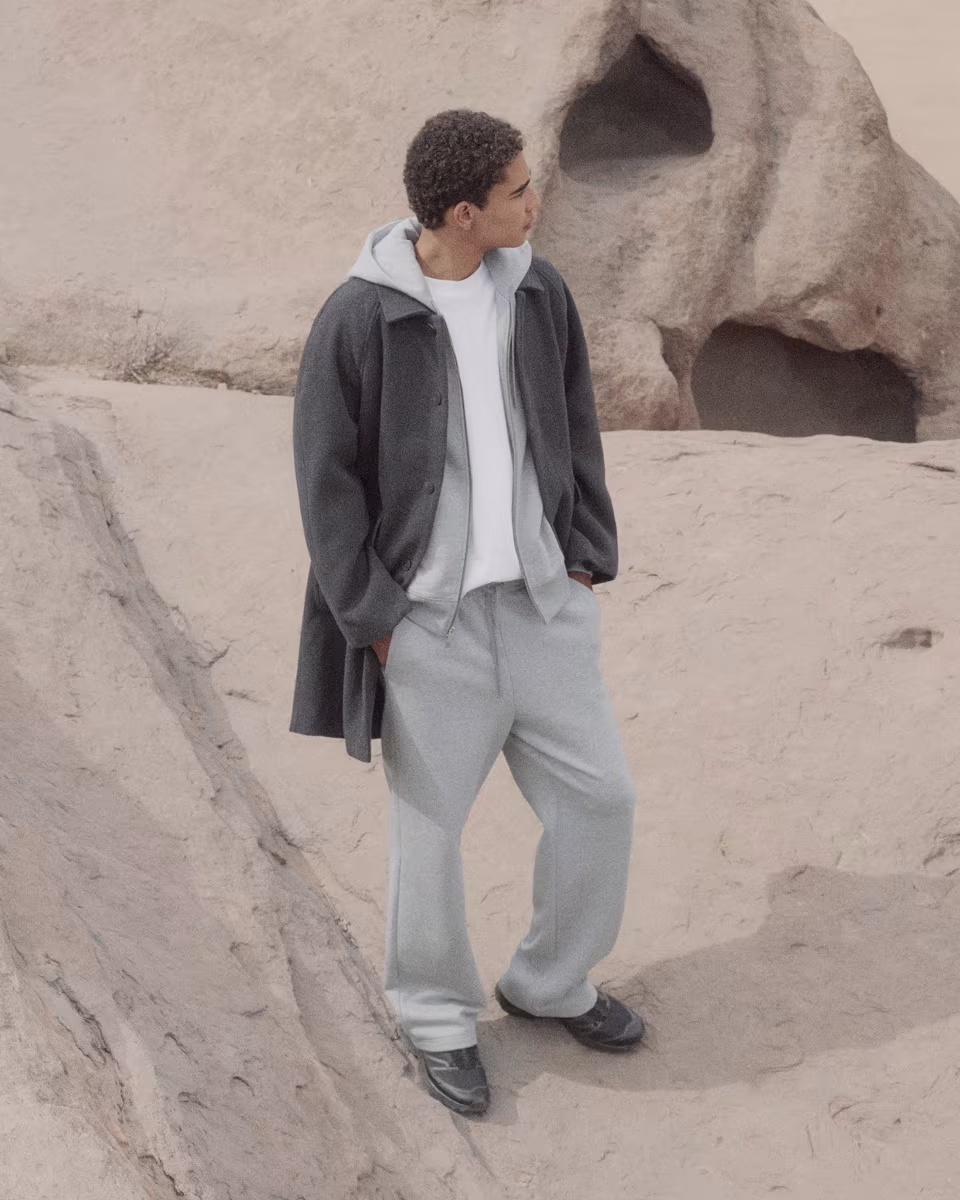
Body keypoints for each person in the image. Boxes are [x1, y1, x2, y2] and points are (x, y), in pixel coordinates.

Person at [290, 109, 643, 1116]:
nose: (537, 201)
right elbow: (325, 482)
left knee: (602, 800)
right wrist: (378, 619)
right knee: (431, 835)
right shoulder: (360, 318)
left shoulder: (538, 292)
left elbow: (576, 424)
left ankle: (549, 982)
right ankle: (437, 1017)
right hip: (428, 625)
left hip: (542, 607)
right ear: (462, 213)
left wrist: (584, 561)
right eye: (518, 191)